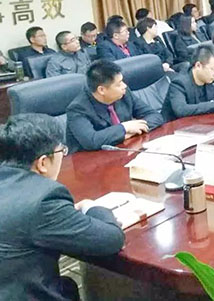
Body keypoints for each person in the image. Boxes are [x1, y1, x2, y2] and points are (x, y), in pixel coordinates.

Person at [0, 113, 125, 300]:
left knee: (67, 286)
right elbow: (111, 240)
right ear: (43, 163)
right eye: (62, 152)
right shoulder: (43, 199)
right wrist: (91, 207)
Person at [66, 60, 164, 153]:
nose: (124, 86)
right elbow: (92, 141)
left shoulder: (124, 94)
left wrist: (134, 130)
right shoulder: (78, 109)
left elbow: (155, 116)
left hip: (124, 151)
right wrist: (124, 128)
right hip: (91, 160)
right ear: (101, 90)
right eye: (119, 84)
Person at [161, 44, 214, 121]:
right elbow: (181, 110)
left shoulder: (212, 78)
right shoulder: (179, 83)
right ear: (198, 65)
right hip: (175, 126)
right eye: (213, 69)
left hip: (202, 123)